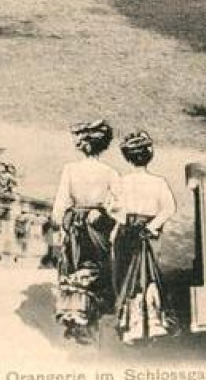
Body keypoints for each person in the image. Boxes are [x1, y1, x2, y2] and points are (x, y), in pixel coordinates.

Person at [51, 119, 119, 344]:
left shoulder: (70, 169)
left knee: (76, 270)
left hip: (78, 226)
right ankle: (90, 321)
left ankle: (76, 318)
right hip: (98, 224)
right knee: (95, 273)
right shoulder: (110, 172)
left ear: (85, 144)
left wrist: (59, 224)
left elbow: (60, 203)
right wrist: (104, 213)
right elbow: (119, 205)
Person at [111, 131, 177, 345]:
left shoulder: (122, 182)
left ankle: (132, 327)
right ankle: (153, 324)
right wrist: (151, 227)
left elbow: (111, 207)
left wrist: (124, 220)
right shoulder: (159, 182)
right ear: (149, 156)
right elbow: (169, 208)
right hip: (148, 234)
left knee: (128, 277)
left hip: (128, 232)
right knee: (149, 277)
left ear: (128, 157)